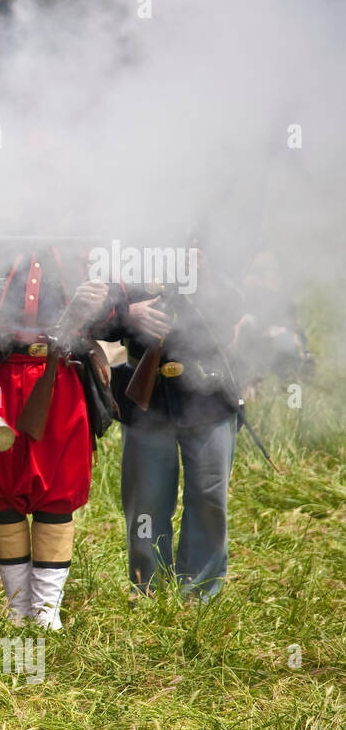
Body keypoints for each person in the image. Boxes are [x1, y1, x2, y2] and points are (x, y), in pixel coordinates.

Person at [0, 247, 120, 629]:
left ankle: (46, 612)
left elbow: (115, 320)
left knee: (58, 489)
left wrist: (99, 303)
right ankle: (19, 608)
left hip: (59, 374)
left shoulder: (82, 246)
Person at [112, 243, 243, 601]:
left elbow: (237, 309)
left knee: (208, 495)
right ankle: (147, 585)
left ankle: (199, 591)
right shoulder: (129, 251)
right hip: (147, 396)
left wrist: (205, 274)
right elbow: (102, 319)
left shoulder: (219, 260)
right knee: (146, 501)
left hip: (208, 393)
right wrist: (129, 313)